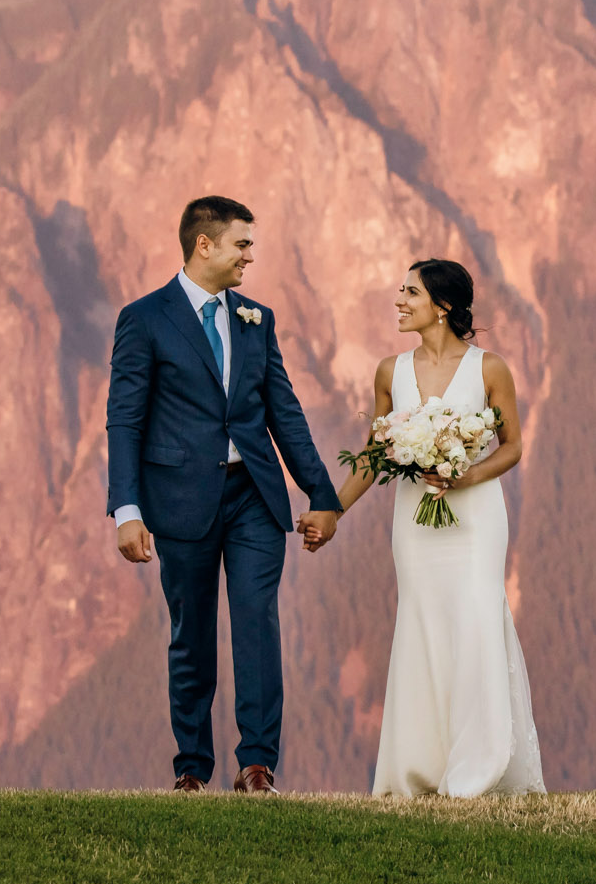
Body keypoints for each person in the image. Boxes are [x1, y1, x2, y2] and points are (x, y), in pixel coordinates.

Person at [106, 195, 343, 793]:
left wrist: (322, 494)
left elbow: (283, 413)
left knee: (258, 623)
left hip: (255, 499)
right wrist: (126, 509)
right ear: (203, 245)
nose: (250, 256)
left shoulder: (256, 317)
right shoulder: (145, 318)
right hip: (179, 500)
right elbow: (125, 419)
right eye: (241, 244)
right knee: (191, 635)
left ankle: (257, 765)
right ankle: (192, 768)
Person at [335, 258, 545, 797]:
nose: (399, 301)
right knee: (422, 624)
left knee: (475, 616)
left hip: (474, 518)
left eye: (410, 293)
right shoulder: (389, 372)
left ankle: (478, 768)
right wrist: (332, 511)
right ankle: (419, 769)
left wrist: (466, 473)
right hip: (415, 521)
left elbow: (514, 447)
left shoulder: (489, 368)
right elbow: (376, 454)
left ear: (443, 306)